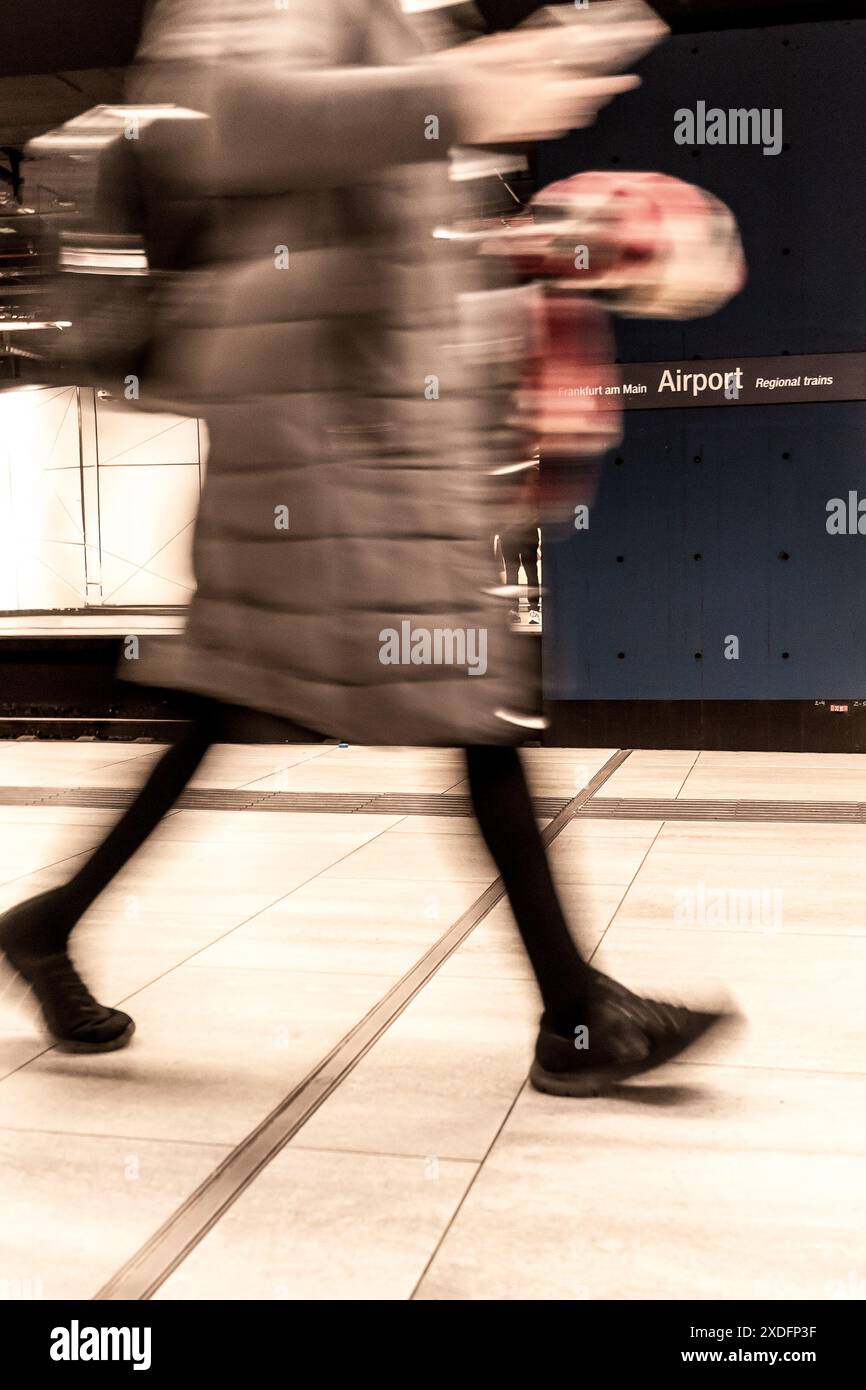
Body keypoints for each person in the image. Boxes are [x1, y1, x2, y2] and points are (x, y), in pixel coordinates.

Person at [0, 0, 731, 1096]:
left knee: (241, 693)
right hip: (315, 415)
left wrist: (512, 249)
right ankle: (574, 1013)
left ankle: (50, 921)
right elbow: (234, 125)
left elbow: (370, 199)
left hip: (349, 405)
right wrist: (467, 93)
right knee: (465, 688)